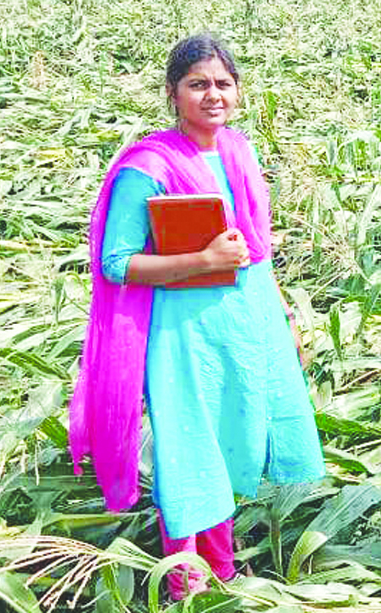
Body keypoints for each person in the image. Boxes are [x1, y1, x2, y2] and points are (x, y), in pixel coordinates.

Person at [68, 34, 325, 600]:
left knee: (231, 436)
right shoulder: (149, 165)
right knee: (190, 448)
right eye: (198, 84)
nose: (213, 95)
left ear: (237, 91)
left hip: (245, 318)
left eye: (223, 84)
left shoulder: (237, 149)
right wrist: (204, 260)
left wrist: (281, 311)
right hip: (183, 331)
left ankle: (223, 568)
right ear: (173, 93)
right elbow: (116, 263)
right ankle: (187, 581)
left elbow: (254, 247)